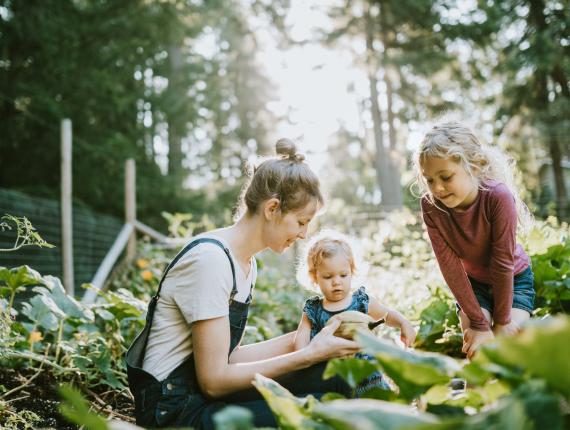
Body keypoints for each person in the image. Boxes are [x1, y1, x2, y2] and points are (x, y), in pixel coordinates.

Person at [125, 139, 361, 429]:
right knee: (322, 411)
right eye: (301, 222)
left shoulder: (245, 263)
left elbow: (228, 356)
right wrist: (307, 355)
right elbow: (214, 380)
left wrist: (310, 336)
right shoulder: (210, 260)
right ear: (272, 208)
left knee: (340, 375)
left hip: (201, 395)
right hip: (175, 412)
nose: (303, 235)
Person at [412, 121, 535, 359]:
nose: (437, 188)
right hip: (473, 286)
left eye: (445, 177)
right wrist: (478, 324)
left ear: (476, 167)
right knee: (479, 352)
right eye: (429, 180)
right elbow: (450, 267)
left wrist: (501, 322)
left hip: (514, 279)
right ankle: (475, 397)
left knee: (505, 351)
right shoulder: (431, 206)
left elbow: (502, 263)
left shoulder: (498, 197)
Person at [293, 231, 416, 395]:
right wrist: (304, 359)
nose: (337, 282)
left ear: (352, 272)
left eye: (343, 275)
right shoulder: (313, 310)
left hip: (367, 375)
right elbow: (300, 346)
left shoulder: (361, 302)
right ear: (315, 277)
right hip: (332, 378)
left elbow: (386, 314)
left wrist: (403, 322)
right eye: (328, 276)